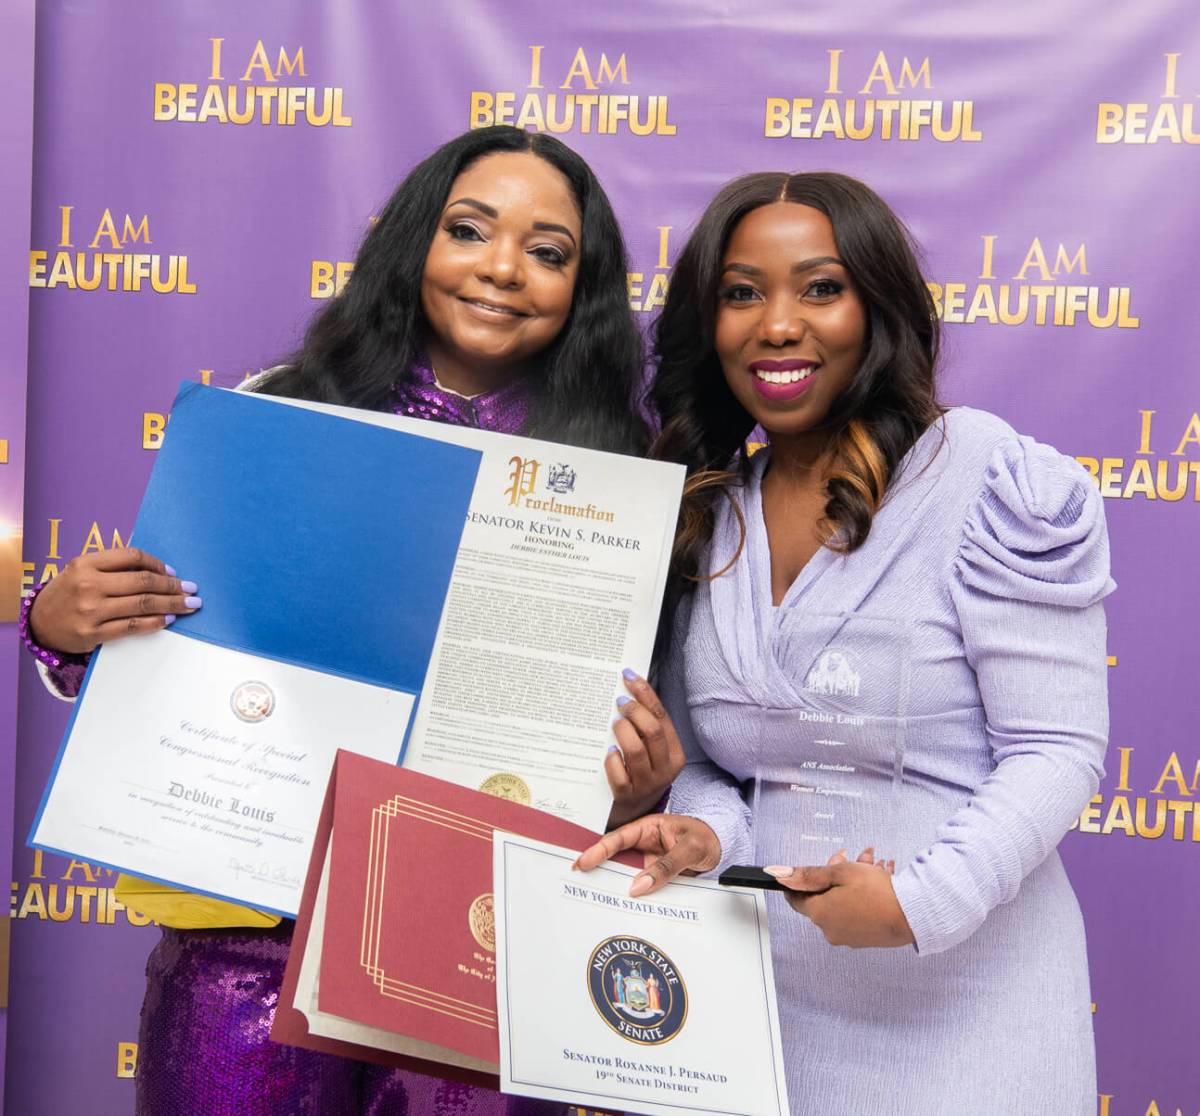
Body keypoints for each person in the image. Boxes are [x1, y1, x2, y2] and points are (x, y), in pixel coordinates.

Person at [21, 126, 681, 1116]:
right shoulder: (277, 412)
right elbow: (177, 651)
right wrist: (64, 629)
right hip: (252, 953)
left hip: (482, 960)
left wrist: (640, 786)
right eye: (469, 230)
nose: (502, 269)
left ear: (581, 291)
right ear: (414, 242)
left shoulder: (622, 482)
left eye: (548, 252)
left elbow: (619, 742)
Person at [576, 171, 1113, 1115]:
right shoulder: (708, 510)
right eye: (743, 293)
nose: (778, 324)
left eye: (821, 288)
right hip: (759, 1012)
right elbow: (728, 771)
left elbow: (1057, 747)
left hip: (969, 1012)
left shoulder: (983, 477)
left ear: (879, 307)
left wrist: (922, 902)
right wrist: (704, 834)